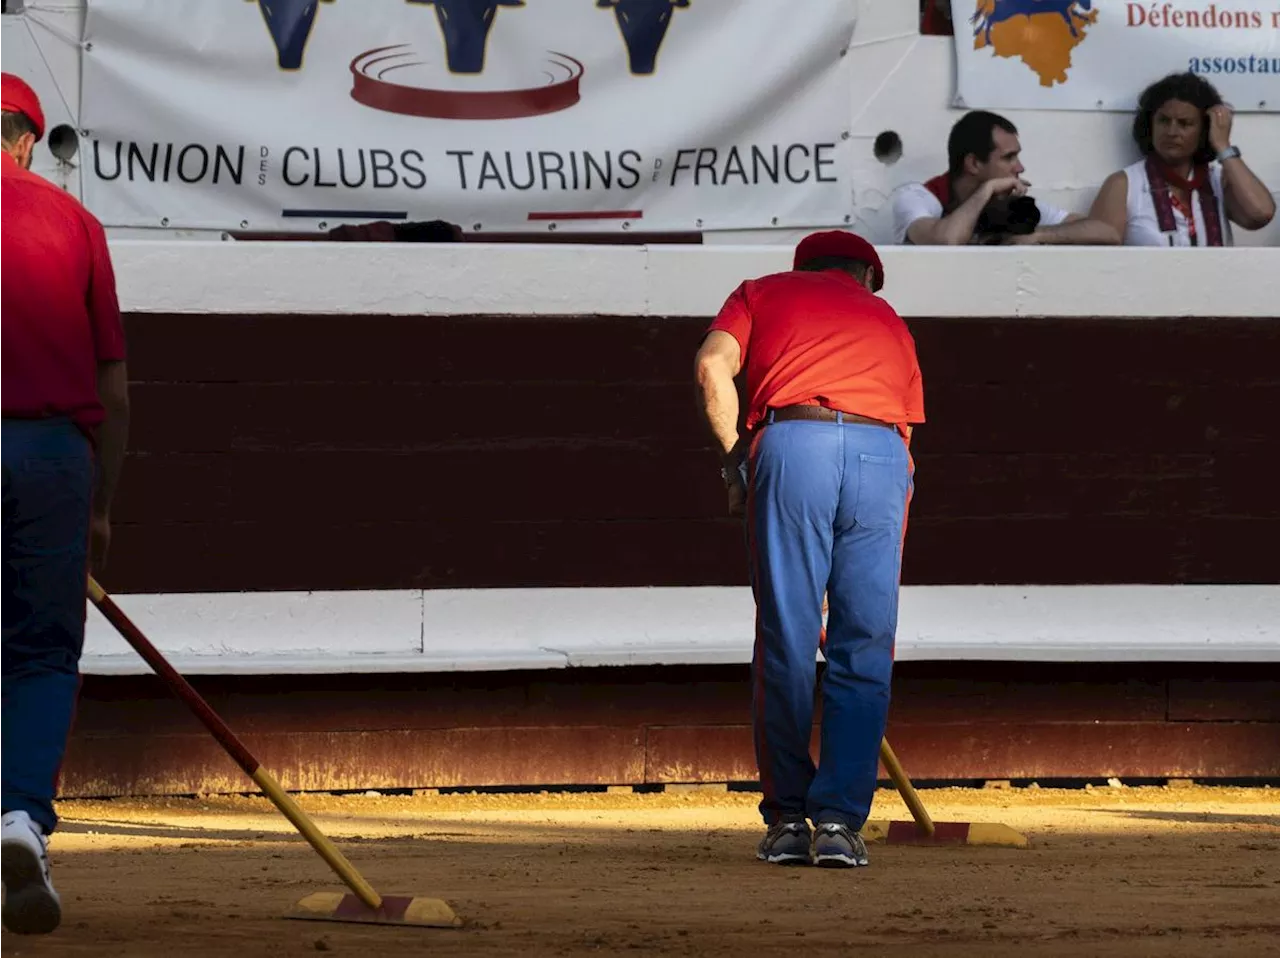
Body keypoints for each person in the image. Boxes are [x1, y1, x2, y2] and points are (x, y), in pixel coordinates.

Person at [693, 231, 923, 868]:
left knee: (789, 638)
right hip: (882, 456)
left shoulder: (762, 292)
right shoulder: (890, 321)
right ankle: (841, 825)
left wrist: (736, 465)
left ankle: (789, 817)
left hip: (795, 444)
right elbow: (906, 434)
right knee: (865, 641)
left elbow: (713, 365)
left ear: (805, 268)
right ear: (867, 277)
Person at [0, 72, 129, 935]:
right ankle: (17, 820)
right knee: (41, 654)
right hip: (51, 457)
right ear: (28, 141)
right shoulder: (77, 224)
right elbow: (113, 387)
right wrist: (102, 510)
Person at [1088, 71, 1275, 247]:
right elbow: (1099, 255)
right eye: (1163, 121)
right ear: (1149, 124)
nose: (1172, 132)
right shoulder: (1124, 184)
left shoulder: (1219, 180)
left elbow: (1261, 214)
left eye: (1185, 124)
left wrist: (1222, 146)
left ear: (1204, 130)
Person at [891, 110, 1120, 246]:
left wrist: (1040, 235)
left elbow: (1107, 233)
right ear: (973, 163)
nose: (1019, 167)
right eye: (1009, 158)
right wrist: (986, 190)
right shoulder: (917, 197)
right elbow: (947, 241)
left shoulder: (1006, 201)